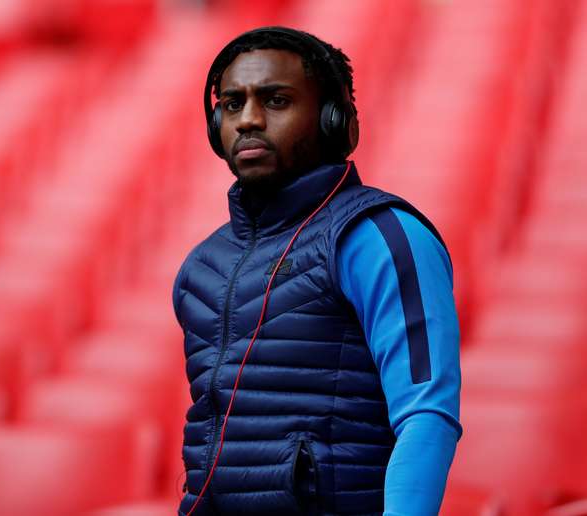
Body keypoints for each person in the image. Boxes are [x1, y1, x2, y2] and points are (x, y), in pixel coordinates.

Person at [171, 26, 462, 516]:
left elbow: (427, 415)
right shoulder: (200, 269)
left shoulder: (380, 236)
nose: (248, 120)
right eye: (233, 104)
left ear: (333, 120)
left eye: (276, 100)